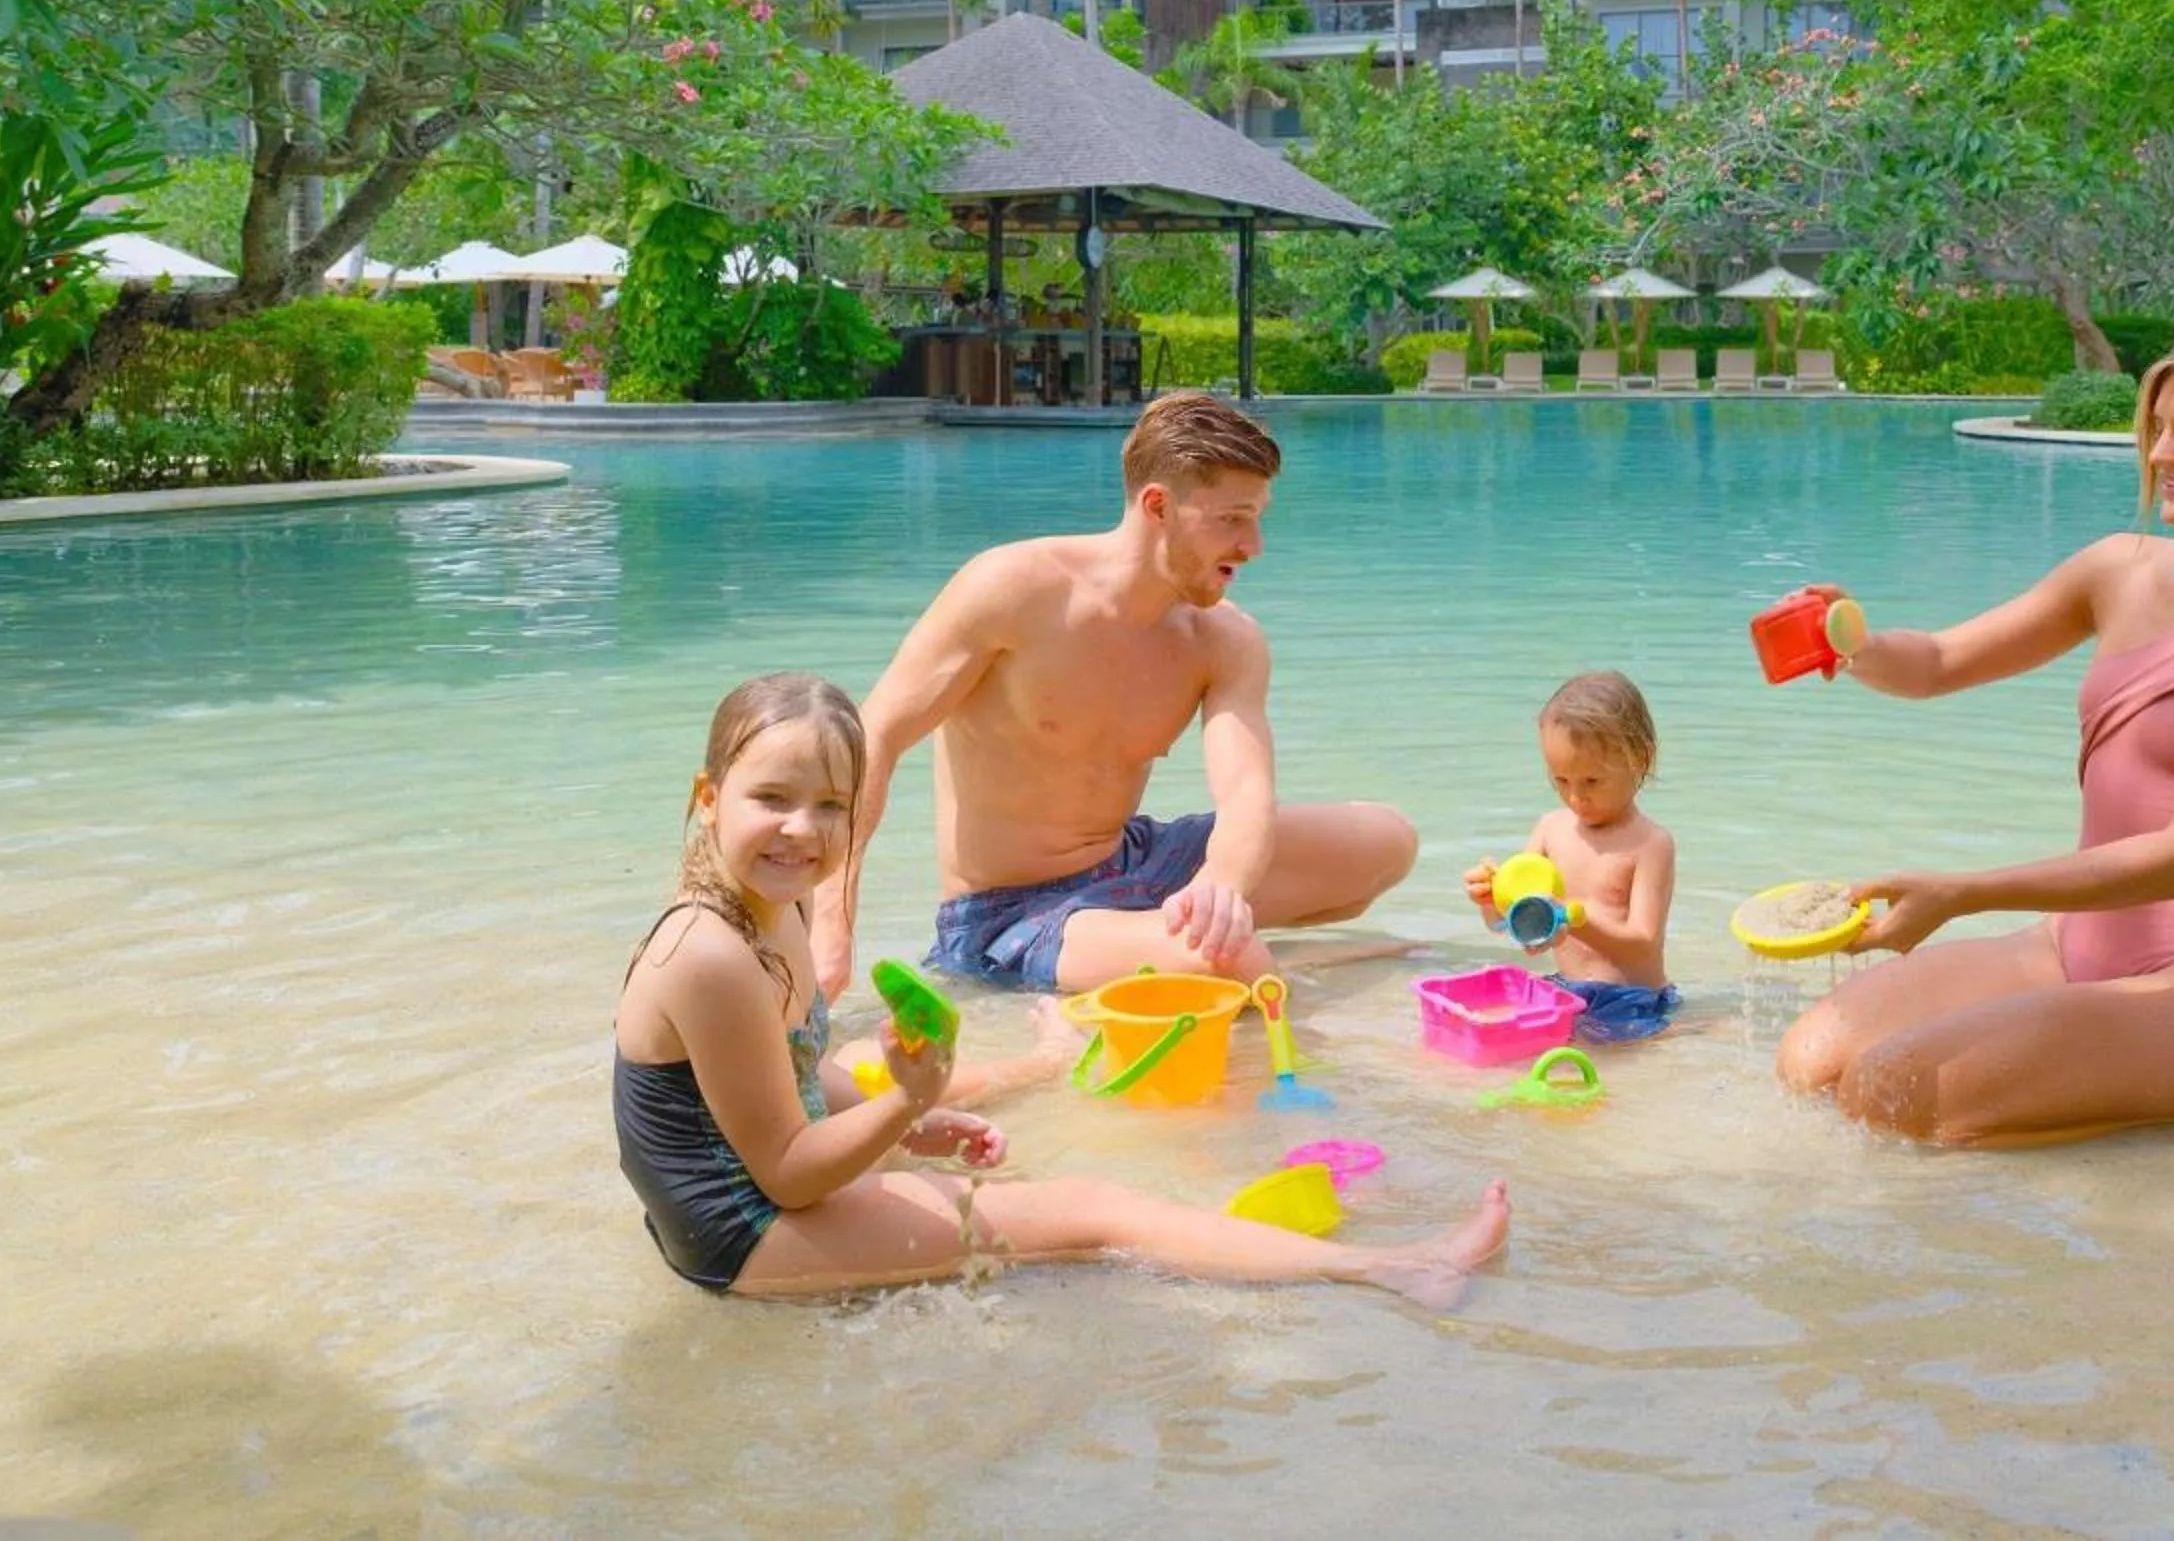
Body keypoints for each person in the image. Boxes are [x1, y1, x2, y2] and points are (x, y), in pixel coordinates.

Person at [613, 672, 1511, 1302]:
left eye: (831, 808)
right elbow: (789, 1173)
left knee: (1033, 1175)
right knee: (1095, 1211)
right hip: (742, 1237)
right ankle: (1396, 1269)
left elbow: (800, 1077)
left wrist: (915, 1125)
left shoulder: (776, 907)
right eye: (771, 798)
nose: (800, 832)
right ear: (708, 795)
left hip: (751, 1200)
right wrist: (903, 1106)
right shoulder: (710, 956)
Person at [1775, 325, 2174, 1147]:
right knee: (1809, 1061)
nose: (2162, 455)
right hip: (2070, 944)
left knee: (1890, 1090)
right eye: (2158, 430)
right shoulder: (2115, 570)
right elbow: (1941, 660)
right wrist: (1856, 644)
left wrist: (1963, 894)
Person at [822, 394, 1418, 1002]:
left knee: (1386, 841)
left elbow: (1246, 793)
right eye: (1233, 518)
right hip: (1010, 912)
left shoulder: (1224, 638)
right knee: (1227, 963)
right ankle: (1167, 954)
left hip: (1134, 862)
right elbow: (872, 739)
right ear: (1159, 505)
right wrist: (830, 922)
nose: (1254, 545)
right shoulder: (1014, 589)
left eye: (1258, 516)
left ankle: (1156, 940)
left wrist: (1222, 882)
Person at [1461, 672, 1679, 1042]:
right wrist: (1491, 903)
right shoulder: (1549, 829)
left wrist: (1571, 918)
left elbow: (1644, 941)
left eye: (1592, 781)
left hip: (1630, 999)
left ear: (1640, 758)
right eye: (1560, 780)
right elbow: (1518, 928)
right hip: (1568, 988)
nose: (1576, 797)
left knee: (1595, 1060)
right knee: (1498, 1034)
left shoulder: (1651, 844)